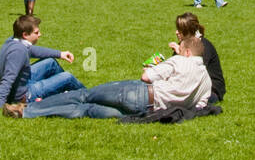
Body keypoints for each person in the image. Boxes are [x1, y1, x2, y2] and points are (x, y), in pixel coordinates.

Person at [14, 36, 211, 120]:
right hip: (149, 112)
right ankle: (30, 113)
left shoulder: (180, 61)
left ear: (186, 52)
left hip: (138, 93)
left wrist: (158, 66)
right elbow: (199, 106)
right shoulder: (206, 80)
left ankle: (29, 109)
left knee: (84, 95)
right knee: (87, 110)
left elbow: (146, 76)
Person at [0, 15, 82, 114]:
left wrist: (60, 54)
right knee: (67, 77)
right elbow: (8, 78)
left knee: (50, 62)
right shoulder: (18, 51)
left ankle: (63, 93)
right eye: (36, 32)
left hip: (18, 86)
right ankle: (90, 96)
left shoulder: (13, 41)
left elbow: (33, 50)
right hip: (23, 96)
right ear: (25, 35)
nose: (40, 34)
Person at [170, 11, 226, 103]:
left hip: (211, 91)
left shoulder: (203, 46)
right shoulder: (184, 44)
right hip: (194, 86)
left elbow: (194, 72)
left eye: (179, 30)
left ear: (188, 31)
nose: (176, 32)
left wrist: (180, 53)